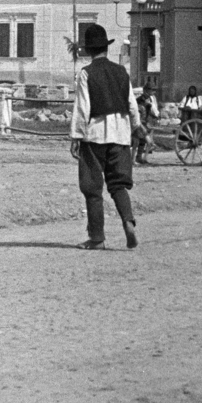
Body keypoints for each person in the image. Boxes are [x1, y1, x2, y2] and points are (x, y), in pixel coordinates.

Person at [68, 25, 140, 250]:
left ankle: (97, 237)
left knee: (92, 187)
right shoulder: (121, 72)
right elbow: (132, 105)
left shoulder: (86, 73)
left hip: (95, 135)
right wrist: (135, 127)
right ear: (106, 48)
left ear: (89, 50)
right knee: (118, 185)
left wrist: (76, 136)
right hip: (120, 135)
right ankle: (128, 222)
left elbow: (82, 108)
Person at [134, 80, 160, 164]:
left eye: (152, 90)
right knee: (138, 140)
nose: (151, 92)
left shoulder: (152, 99)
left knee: (143, 141)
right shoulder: (140, 99)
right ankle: (135, 158)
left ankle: (140, 157)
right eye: (150, 90)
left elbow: (154, 110)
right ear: (145, 90)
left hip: (148, 121)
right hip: (141, 121)